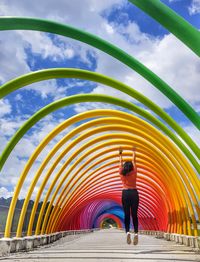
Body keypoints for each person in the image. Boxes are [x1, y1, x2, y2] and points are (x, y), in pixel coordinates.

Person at [119, 146, 139, 245]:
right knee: (134, 215)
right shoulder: (134, 172)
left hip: (125, 193)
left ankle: (127, 232)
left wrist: (120, 154)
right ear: (131, 167)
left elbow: (120, 163)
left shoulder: (122, 174)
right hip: (134, 193)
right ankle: (136, 233)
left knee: (127, 215)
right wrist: (133, 152)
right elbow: (134, 160)